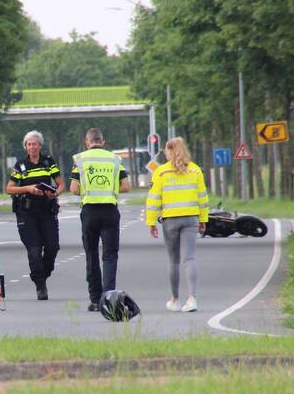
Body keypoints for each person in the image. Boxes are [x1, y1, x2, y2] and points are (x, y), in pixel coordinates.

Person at [145, 137, 208, 313]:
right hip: (191, 219)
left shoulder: (161, 172)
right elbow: (202, 197)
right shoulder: (195, 170)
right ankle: (192, 298)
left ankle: (175, 300)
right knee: (190, 258)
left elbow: (153, 199)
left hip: (170, 221)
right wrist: (203, 219)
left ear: (168, 151)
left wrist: (151, 222)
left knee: (173, 261)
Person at [70, 128, 130, 311]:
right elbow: (126, 186)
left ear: (87, 142)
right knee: (110, 256)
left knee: (91, 255)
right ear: (103, 142)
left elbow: (73, 189)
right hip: (110, 211)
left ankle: (95, 299)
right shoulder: (115, 159)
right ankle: (109, 300)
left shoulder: (79, 159)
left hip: (89, 212)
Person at [5, 130, 64, 300]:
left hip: (47, 210)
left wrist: (55, 193)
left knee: (52, 247)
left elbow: (61, 184)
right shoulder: (20, 165)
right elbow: (9, 188)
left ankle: (44, 273)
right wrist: (28, 189)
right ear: (25, 147)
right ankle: (40, 285)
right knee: (35, 250)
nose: (32, 147)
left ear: (40, 145)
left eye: (34, 144)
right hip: (27, 212)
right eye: (29, 144)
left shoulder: (48, 162)